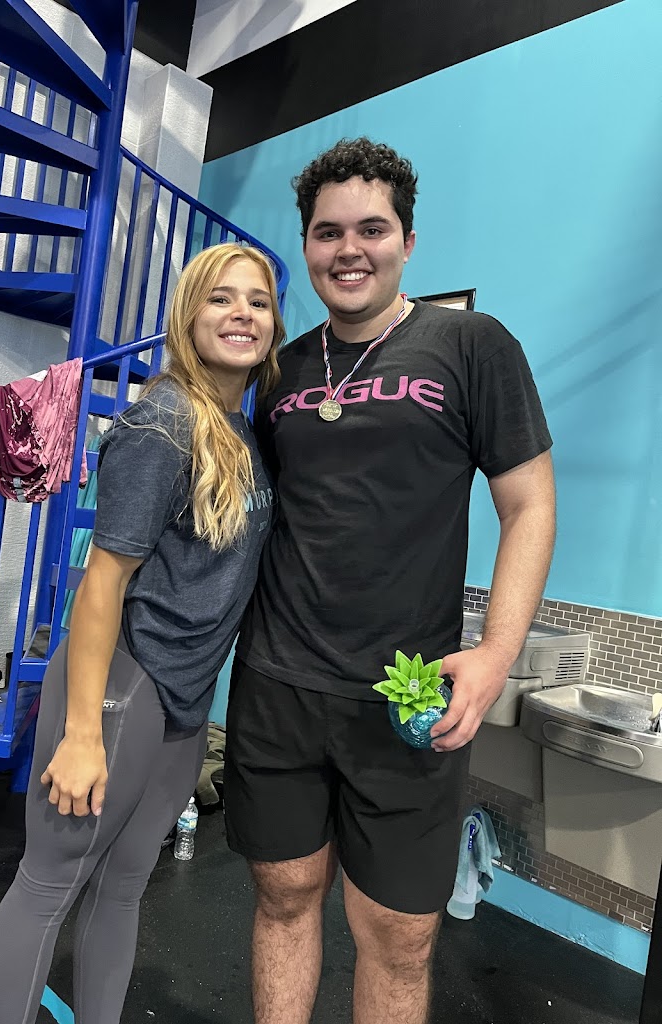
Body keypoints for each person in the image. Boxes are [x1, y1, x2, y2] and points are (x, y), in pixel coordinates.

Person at [224, 138, 556, 1024]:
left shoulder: (471, 345)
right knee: (283, 893)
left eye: (372, 229)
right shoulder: (281, 372)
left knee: (400, 936)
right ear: (306, 244)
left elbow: (529, 505)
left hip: (406, 697)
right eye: (328, 232)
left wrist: (496, 653)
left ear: (407, 241)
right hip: (279, 683)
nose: (349, 250)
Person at [0, 242, 285, 1024]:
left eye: (257, 301)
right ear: (189, 314)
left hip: (184, 694)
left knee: (123, 887)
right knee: (50, 884)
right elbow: (102, 584)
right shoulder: (163, 424)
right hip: (122, 683)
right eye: (221, 297)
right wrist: (83, 733)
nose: (242, 313)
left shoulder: (238, 431)